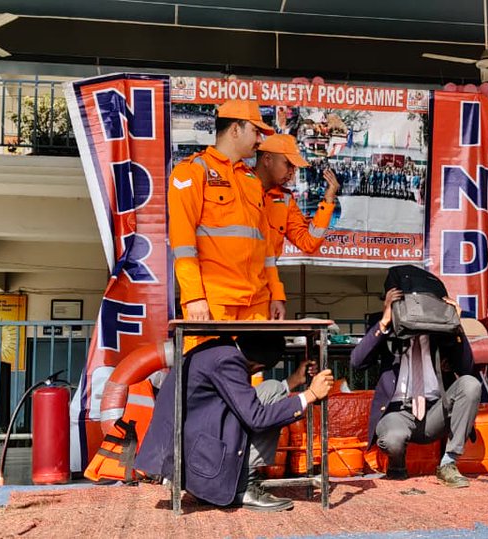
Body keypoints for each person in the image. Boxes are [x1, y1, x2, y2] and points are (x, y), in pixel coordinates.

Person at [134, 334, 334, 512]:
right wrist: (310, 395)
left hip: (193, 429)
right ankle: (243, 486)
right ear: (257, 367)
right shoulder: (227, 360)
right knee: (264, 414)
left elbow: (241, 398)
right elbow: (257, 418)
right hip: (191, 448)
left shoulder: (220, 349)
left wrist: (293, 381)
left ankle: (239, 480)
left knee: (273, 389)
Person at [349, 265, 481, 488]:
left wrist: (455, 327)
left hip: (435, 412)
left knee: (470, 384)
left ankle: (449, 463)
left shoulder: (441, 333)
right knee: (392, 440)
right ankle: (397, 465)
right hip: (398, 413)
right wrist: (385, 321)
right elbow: (357, 362)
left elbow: (466, 368)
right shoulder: (384, 326)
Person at [168, 100, 285, 348]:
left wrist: (277, 294)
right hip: (213, 303)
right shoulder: (191, 172)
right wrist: (194, 297)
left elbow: (266, 249)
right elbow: (183, 242)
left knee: (250, 382)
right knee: (208, 377)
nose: (259, 141)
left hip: (256, 304)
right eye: (255, 131)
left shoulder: (252, 182)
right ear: (235, 130)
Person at [254, 133, 340, 259]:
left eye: (294, 167)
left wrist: (328, 201)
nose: (292, 173)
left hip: (266, 277)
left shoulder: (285, 199)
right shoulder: (238, 184)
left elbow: (308, 242)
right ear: (267, 160)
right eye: (288, 164)